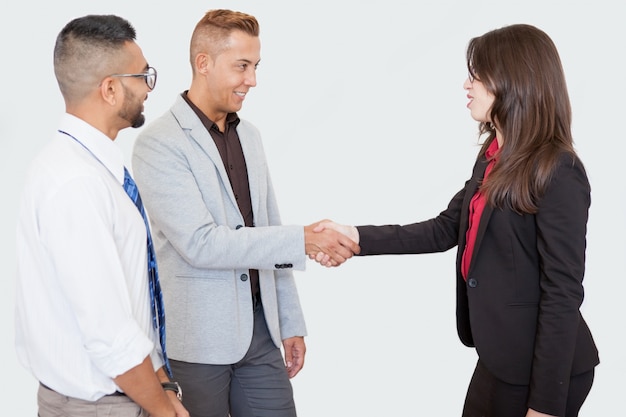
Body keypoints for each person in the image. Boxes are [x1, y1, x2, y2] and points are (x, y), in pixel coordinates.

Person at [314, 24, 599, 417]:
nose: (467, 85)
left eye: (477, 75)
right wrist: (356, 236)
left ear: (511, 81)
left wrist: (546, 405)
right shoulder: (494, 154)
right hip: (501, 355)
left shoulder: (558, 170)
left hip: (545, 369)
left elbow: (563, 292)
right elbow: (447, 227)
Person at [131, 8, 360, 417]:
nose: (251, 80)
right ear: (203, 63)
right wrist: (303, 238)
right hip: (197, 342)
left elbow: (268, 228)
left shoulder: (249, 136)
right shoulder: (158, 144)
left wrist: (289, 322)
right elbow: (200, 243)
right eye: (242, 66)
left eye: (254, 66)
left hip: (262, 334)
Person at [15, 15, 188, 417]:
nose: (148, 88)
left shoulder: (87, 169)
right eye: (143, 75)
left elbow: (129, 302)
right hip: (101, 407)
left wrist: (163, 381)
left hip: (127, 395)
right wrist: (162, 409)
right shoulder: (77, 183)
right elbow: (108, 334)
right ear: (110, 89)